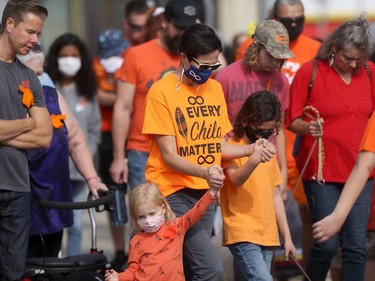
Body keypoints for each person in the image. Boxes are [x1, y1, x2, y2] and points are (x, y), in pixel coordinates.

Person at [142, 23, 266, 281]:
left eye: (214, 66)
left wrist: (250, 149)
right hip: (172, 192)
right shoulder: (161, 91)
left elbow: (217, 145)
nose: (209, 72)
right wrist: (206, 171)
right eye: (203, 65)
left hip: (205, 192)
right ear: (184, 57)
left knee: (188, 268)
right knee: (210, 270)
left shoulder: (214, 89)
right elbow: (169, 155)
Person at [286, 14, 375, 281]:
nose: (353, 64)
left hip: (361, 173)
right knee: (326, 244)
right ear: (334, 48)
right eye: (348, 57)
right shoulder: (310, 71)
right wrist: (308, 127)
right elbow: (291, 121)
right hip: (321, 172)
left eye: (359, 58)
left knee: (356, 246)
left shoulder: (369, 71)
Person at [17, 45, 108, 258]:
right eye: (31, 74)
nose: (37, 80)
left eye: (40, 73)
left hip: (54, 202)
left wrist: (92, 179)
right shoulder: (7, 100)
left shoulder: (50, 95)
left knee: (50, 265)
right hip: (19, 205)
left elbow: (75, 140)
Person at [110, 0, 199, 190]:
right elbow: (123, 107)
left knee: (183, 218)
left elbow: (222, 67)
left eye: (189, 28)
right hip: (143, 151)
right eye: (180, 27)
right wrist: (119, 158)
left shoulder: (196, 57)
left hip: (187, 152)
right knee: (148, 217)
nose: (184, 33)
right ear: (164, 22)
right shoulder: (137, 55)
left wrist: (200, 34)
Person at [0, 0, 52, 279]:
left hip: (18, 191)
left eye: (39, 34)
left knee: (13, 274)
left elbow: (45, 136)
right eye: (30, 32)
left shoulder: (28, 76)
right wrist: (28, 122)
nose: (35, 40)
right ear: (9, 24)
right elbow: (36, 127)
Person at [221, 90, 296, 281]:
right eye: (262, 131)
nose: (266, 136)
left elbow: (276, 195)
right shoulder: (232, 148)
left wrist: (287, 237)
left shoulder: (268, 150)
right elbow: (236, 180)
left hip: (267, 234)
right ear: (245, 121)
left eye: (271, 132)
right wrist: (253, 158)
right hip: (242, 232)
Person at [216, 19, 294, 198]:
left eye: (280, 57)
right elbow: (217, 129)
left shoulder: (281, 81)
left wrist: (283, 171)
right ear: (256, 46)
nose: (276, 62)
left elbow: (279, 129)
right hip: (233, 163)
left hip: (267, 163)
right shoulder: (227, 77)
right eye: (271, 55)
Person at [45, 33, 102, 256]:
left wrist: (88, 154)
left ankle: (73, 269)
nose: (69, 60)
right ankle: (52, 265)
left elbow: (94, 129)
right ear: (56, 57)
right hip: (51, 169)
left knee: (76, 224)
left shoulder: (87, 90)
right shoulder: (48, 86)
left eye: (74, 56)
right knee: (52, 222)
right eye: (64, 55)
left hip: (79, 174)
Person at [104, 181, 222, 281]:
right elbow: (132, 271)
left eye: (152, 214)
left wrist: (211, 192)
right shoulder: (136, 241)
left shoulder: (176, 226)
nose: (148, 220)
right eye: (141, 217)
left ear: (163, 208)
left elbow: (196, 212)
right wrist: (118, 277)